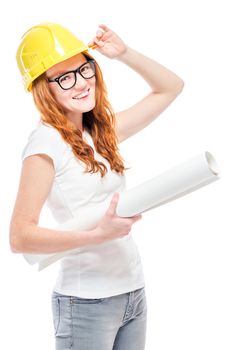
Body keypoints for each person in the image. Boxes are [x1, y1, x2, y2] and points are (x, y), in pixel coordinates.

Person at [10, 22, 184, 350]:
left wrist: (125, 53)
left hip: (132, 292)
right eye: (64, 77)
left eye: (84, 68)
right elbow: (20, 237)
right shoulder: (45, 143)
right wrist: (96, 236)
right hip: (86, 303)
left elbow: (171, 87)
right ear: (42, 88)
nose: (81, 84)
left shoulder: (100, 132)